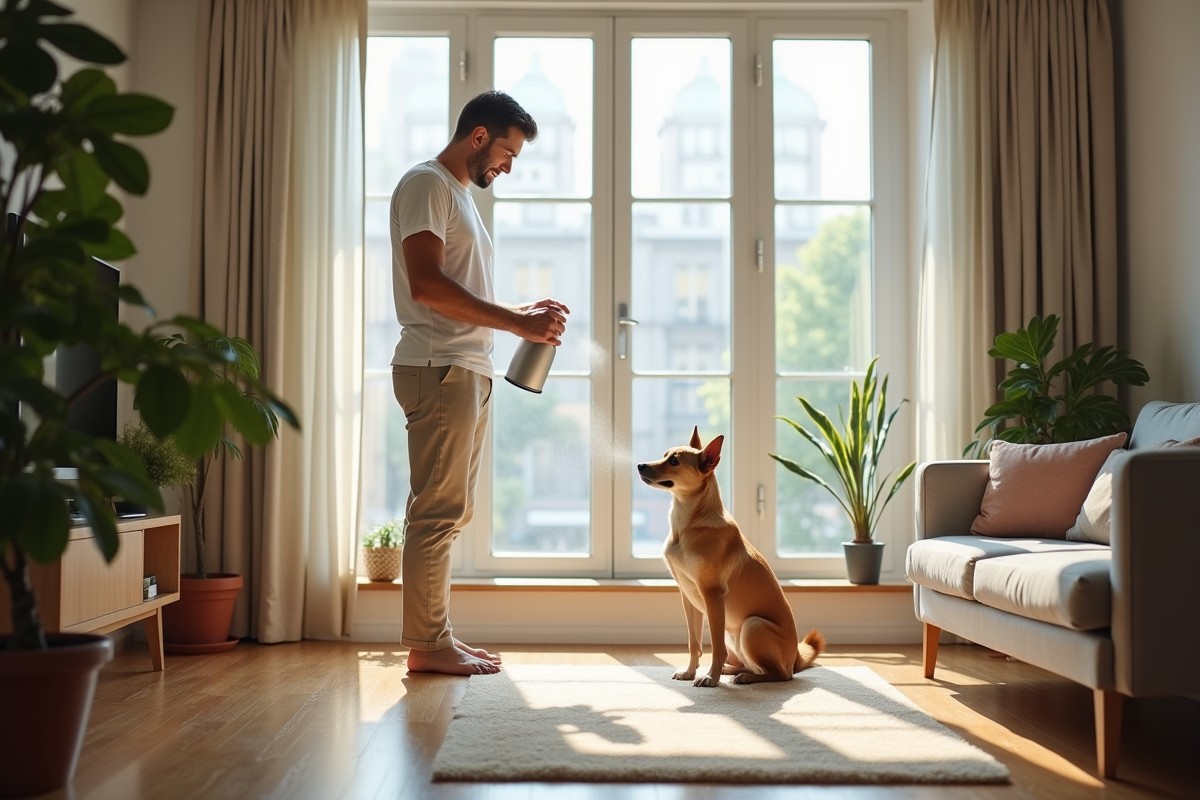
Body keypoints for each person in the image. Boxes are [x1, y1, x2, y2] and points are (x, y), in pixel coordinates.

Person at [389, 91, 569, 676]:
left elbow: (458, 291)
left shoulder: (458, 195)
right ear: (479, 136)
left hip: (463, 369)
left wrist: (519, 313)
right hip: (440, 367)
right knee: (436, 512)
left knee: (452, 512)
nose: (508, 167)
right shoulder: (427, 184)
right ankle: (426, 645)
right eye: (507, 153)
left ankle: (436, 636)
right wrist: (517, 323)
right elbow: (426, 286)